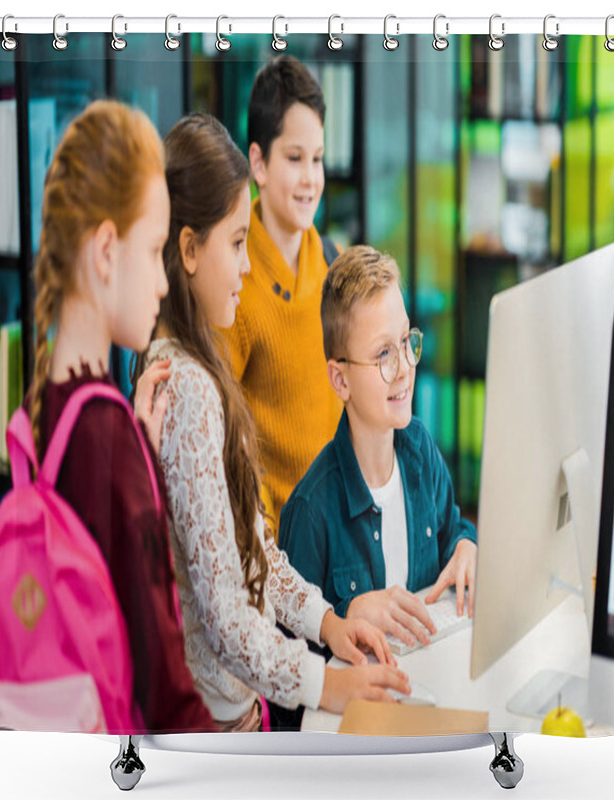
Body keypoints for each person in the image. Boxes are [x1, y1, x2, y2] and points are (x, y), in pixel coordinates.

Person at [136, 114, 409, 732]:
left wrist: (326, 624)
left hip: (234, 707)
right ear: (187, 250)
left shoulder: (198, 365)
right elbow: (228, 617)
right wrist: (329, 686)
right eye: (236, 243)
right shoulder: (188, 389)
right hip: (214, 722)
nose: (248, 266)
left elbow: (253, 549)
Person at [27, 100, 216, 733]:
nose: (164, 280)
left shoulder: (49, 408)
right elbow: (165, 696)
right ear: (106, 251)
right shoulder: (108, 437)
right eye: (156, 247)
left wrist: (141, 441)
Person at [280, 246, 478, 651]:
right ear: (341, 380)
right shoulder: (310, 512)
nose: (405, 367)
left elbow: (453, 528)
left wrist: (466, 546)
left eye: (406, 341)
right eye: (383, 353)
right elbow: (287, 666)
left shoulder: (420, 450)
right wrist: (343, 615)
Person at [220, 55, 342, 531]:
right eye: (295, 159)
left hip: (342, 545)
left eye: (317, 159)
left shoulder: (334, 263)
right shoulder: (232, 284)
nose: (311, 178)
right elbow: (225, 449)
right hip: (278, 561)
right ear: (258, 163)